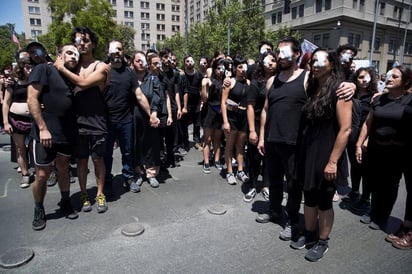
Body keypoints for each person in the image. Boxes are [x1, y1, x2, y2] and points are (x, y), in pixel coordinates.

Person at [256, 37, 355, 244]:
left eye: (284, 53)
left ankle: (293, 220)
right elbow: (265, 110)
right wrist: (262, 137)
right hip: (272, 141)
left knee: (293, 186)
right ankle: (275, 211)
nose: (279, 57)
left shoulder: (307, 77)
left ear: (297, 55)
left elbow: (331, 83)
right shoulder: (272, 81)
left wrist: (350, 85)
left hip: (296, 144)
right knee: (272, 181)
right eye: (278, 53)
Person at [293, 48, 352, 261]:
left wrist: (333, 162)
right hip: (309, 154)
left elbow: (345, 129)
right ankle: (309, 234)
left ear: (332, 64)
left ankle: (322, 241)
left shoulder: (340, 90)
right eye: (313, 61)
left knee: (324, 201)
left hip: (328, 155)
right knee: (309, 198)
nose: (315, 65)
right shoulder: (313, 87)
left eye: (320, 61)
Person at [356, 66, 412, 249]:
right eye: (388, 75)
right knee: (379, 182)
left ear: (405, 81)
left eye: (394, 76)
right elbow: (368, 122)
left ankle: (396, 222)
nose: (389, 78)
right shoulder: (379, 99)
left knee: (398, 186)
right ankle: (377, 212)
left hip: (400, 152)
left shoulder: (409, 101)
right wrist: (360, 142)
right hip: (377, 149)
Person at [55, 27, 110, 213]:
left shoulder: (101, 66)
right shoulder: (72, 66)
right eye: (78, 41)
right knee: (81, 162)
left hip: (97, 123)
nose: (82, 44)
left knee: (98, 160)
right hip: (77, 124)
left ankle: (100, 193)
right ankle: (84, 193)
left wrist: (61, 67)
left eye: (85, 40)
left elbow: (84, 84)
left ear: (93, 44)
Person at [27, 43, 80, 230]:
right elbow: (32, 98)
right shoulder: (44, 69)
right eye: (69, 53)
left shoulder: (74, 77)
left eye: (76, 54)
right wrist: (42, 128)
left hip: (67, 134)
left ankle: (66, 201)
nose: (73, 56)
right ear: (59, 55)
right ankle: (39, 208)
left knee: (64, 168)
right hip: (45, 134)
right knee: (42, 174)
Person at [103, 40, 152, 194]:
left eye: (120, 49)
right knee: (107, 155)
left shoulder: (129, 73)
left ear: (123, 52)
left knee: (128, 152)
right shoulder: (104, 70)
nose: (117, 52)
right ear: (108, 52)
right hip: (107, 121)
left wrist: (151, 114)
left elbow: (139, 94)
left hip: (126, 120)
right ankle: (107, 181)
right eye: (114, 49)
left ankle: (128, 178)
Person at [342, 67, 377, 215]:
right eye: (360, 77)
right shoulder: (351, 94)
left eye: (366, 77)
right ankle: (355, 191)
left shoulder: (375, 97)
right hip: (352, 136)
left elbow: (374, 121)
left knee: (366, 169)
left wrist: (367, 139)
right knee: (355, 166)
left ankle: (366, 198)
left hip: (367, 138)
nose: (363, 80)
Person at [244, 51, 277, 202]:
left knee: (270, 157)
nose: (271, 64)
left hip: (273, 125)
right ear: (261, 64)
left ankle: (266, 185)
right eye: (267, 61)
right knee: (255, 157)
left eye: (273, 61)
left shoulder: (281, 81)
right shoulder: (256, 83)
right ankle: (252, 185)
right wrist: (252, 130)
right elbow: (250, 107)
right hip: (256, 123)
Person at [2, 49, 33, 188]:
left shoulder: (36, 81)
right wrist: (6, 122)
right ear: (21, 66)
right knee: (20, 149)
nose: (29, 69)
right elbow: (6, 103)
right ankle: (25, 175)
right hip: (16, 120)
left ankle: (39, 171)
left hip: (33, 120)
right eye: (26, 66)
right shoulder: (12, 82)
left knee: (34, 148)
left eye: (31, 66)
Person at [221, 54, 250, 185]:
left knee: (240, 145)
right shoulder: (230, 82)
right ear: (235, 68)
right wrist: (226, 121)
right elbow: (223, 103)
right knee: (230, 145)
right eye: (240, 67)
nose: (243, 69)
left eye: (244, 66)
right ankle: (229, 172)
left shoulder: (249, 82)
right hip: (232, 117)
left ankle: (240, 170)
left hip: (244, 117)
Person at [138, 53, 162, 188]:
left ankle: (151, 173)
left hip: (151, 117)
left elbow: (156, 97)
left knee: (151, 145)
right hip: (135, 117)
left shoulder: (153, 78)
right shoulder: (131, 78)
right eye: (138, 61)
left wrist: (153, 114)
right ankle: (138, 172)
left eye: (142, 61)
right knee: (136, 144)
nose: (140, 64)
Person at [200, 57, 225, 173]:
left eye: (222, 68)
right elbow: (204, 99)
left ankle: (217, 160)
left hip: (220, 112)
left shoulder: (226, 81)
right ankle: (206, 162)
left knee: (217, 139)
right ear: (214, 69)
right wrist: (204, 86)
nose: (220, 71)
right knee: (208, 138)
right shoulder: (209, 80)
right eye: (218, 68)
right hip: (209, 111)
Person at [180, 55, 204, 151]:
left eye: (191, 61)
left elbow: (202, 89)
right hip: (185, 103)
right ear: (184, 63)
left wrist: (202, 102)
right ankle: (185, 142)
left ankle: (197, 141)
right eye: (187, 61)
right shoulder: (182, 75)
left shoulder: (199, 75)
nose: (189, 63)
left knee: (197, 123)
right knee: (184, 124)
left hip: (197, 102)